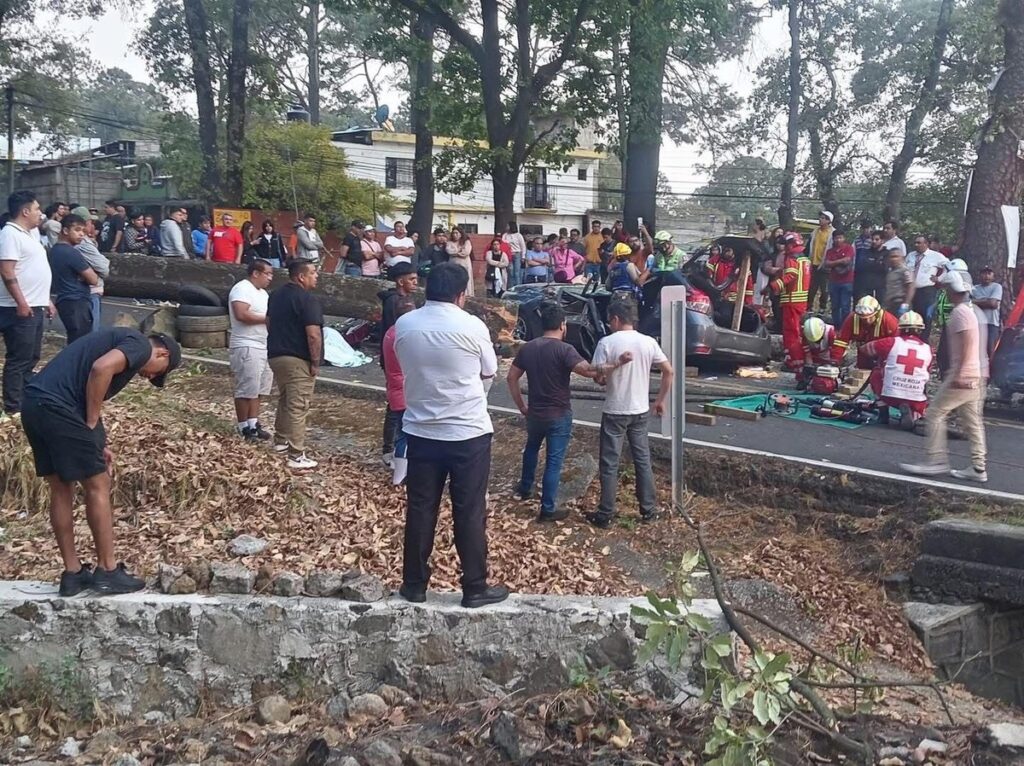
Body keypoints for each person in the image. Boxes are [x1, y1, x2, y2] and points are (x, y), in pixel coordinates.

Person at [21, 328, 180, 595]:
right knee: (98, 484)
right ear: (161, 353)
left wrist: (99, 439)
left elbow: (89, 389)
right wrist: (92, 423)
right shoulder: (140, 345)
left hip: (35, 404)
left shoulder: (114, 339)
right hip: (60, 409)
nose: (149, 376)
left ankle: (72, 575)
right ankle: (107, 570)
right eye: (157, 372)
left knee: (61, 487)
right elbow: (100, 369)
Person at [393, 262, 507, 608]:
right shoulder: (472, 325)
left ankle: (414, 584)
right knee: (469, 510)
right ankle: (474, 586)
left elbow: (402, 363)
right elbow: (490, 370)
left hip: (421, 430)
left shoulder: (405, 324)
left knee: (420, 508)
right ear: (461, 295)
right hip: (467, 431)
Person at [507, 301, 633, 522]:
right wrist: (618, 363)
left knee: (531, 449)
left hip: (535, 412)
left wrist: (522, 406)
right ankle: (547, 507)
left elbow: (511, 378)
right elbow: (589, 370)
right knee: (554, 461)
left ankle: (524, 487)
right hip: (558, 414)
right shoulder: (565, 350)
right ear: (563, 325)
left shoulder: (528, 348)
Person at [584, 298, 674, 528]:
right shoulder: (648, 342)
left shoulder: (606, 342)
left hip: (615, 409)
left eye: (609, 320)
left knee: (610, 462)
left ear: (615, 319)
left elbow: (597, 375)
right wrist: (660, 400)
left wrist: (604, 376)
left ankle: (606, 512)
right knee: (642, 459)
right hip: (640, 409)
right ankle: (648, 509)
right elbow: (668, 371)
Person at [901, 271, 987, 483]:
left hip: (963, 375)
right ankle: (978, 467)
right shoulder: (973, 310)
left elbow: (967, 343)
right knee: (973, 422)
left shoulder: (959, 313)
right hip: (976, 374)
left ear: (952, 290)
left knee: (935, 413)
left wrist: (959, 373)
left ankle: (936, 460)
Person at [0, 190, 54, 415]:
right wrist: (21, 302)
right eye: (36, 209)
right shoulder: (9, 234)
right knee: (19, 358)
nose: (39, 214)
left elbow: (33, 269)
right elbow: (6, 269)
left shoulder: (29, 234)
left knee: (32, 356)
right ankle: (12, 407)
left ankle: (25, 398)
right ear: (25, 211)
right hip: (19, 308)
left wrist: (46, 299)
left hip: (36, 303)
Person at [267, 260, 323, 470]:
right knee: (299, 405)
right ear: (301, 277)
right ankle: (296, 454)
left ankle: (280, 440)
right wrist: (315, 361)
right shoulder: (307, 300)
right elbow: (313, 335)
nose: (316, 276)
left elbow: (268, 322)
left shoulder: (276, 295)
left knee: (285, 398)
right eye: (313, 273)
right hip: (298, 357)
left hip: (276, 354)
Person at [857, 310, 932, 428]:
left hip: (891, 396)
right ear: (920, 330)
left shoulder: (890, 342)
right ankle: (915, 414)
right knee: (922, 379)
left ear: (900, 328)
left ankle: (883, 415)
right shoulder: (928, 350)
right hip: (916, 398)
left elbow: (865, 349)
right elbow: (926, 372)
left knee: (876, 374)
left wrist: (882, 358)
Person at [229, 259, 275, 441]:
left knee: (259, 388)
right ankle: (243, 426)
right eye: (267, 274)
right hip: (247, 344)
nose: (270, 278)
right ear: (255, 273)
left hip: (263, 344)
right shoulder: (242, 289)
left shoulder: (263, 293)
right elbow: (242, 314)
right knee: (246, 388)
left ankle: (254, 423)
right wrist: (266, 320)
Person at [378, 262, 419, 466]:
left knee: (404, 402)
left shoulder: (407, 300)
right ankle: (389, 448)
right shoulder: (394, 302)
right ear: (400, 281)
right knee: (395, 405)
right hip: (395, 358)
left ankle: (400, 443)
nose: (415, 283)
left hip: (406, 359)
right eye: (411, 279)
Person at [762, 232, 810, 371]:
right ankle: (798, 360)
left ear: (791, 244)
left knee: (790, 333)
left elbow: (790, 276)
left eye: (786, 244)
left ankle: (794, 362)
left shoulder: (791, 258)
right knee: (797, 332)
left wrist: (773, 286)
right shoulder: (804, 259)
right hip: (801, 301)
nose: (784, 247)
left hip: (791, 300)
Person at [382, 296, 416, 486]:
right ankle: (399, 477)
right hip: (403, 390)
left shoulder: (391, 332)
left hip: (397, 388)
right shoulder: (402, 335)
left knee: (403, 431)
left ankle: (401, 470)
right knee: (406, 434)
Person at [49, 214, 99, 345]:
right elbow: (94, 279)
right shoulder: (71, 253)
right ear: (65, 231)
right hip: (76, 301)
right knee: (80, 343)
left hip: (65, 299)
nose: (81, 234)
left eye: (83, 231)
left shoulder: (54, 250)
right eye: (77, 230)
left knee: (75, 339)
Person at [830, 295, 900, 363]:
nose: (867, 321)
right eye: (863, 318)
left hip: (884, 356)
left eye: (870, 317)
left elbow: (897, 344)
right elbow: (841, 341)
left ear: (877, 314)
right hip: (863, 355)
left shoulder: (889, 321)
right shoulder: (852, 319)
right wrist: (835, 360)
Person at [71, 206, 109, 331]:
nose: (92, 226)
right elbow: (104, 268)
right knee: (91, 332)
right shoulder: (82, 244)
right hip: (90, 292)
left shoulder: (85, 242)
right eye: (90, 222)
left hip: (87, 292)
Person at [907, 234, 950, 337]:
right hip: (911, 290)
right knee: (912, 317)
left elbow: (949, 267)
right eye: (915, 242)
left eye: (919, 243)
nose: (916, 245)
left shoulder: (935, 256)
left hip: (927, 290)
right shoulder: (911, 255)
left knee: (926, 317)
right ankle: (912, 338)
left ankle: (924, 340)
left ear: (926, 244)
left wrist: (939, 279)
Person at [823, 228, 855, 327]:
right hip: (834, 281)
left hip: (847, 281)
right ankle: (836, 326)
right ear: (833, 239)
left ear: (844, 238)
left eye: (840, 238)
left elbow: (847, 260)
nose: (838, 240)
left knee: (845, 305)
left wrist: (834, 263)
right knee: (835, 305)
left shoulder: (849, 248)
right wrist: (840, 261)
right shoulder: (830, 251)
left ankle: (846, 326)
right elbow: (826, 263)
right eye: (836, 238)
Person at [797, 316, 836, 392]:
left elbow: (835, 353)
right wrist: (809, 367)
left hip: (827, 357)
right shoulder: (804, 333)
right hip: (813, 356)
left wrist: (831, 366)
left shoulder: (831, 333)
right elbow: (807, 353)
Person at [972, 266, 1002, 358]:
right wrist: (986, 301)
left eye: (989, 273)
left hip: (992, 323)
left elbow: (993, 304)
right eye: (984, 273)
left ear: (993, 276)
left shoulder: (997, 287)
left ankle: (993, 371)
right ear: (980, 275)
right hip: (977, 323)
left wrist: (976, 302)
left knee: (991, 350)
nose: (986, 276)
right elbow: (968, 303)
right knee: (977, 350)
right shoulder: (974, 288)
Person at [807, 211, 835, 313]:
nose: (820, 220)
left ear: (828, 221)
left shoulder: (832, 233)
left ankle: (822, 308)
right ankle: (808, 307)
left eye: (823, 218)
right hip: (813, 263)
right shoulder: (814, 232)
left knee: (824, 289)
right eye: (820, 217)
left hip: (825, 265)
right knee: (811, 288)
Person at [856, 229, 892, 302]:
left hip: (880, 287)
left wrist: (871, 262)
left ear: (882, 241)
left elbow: (884, 268)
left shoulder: (887, 253)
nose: (874, 241)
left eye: (877, 239)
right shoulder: (866, 252)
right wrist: (877, 262)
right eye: (872, 239)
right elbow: (861, 266)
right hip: (867, 287)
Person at [883, 248, 913, 316]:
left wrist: (906, 304)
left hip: (900, 303)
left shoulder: (905, 270)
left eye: (896, 256)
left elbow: (911, 287)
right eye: (891, 257)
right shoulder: (889, 271)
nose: (893, 259)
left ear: (902, 258)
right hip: (889, 305)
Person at [446, 227, 474, 297]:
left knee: (465, 279)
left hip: (464, 264)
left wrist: (455, 253)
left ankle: (466, 295)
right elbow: (449, 251)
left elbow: (466, 252)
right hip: (453, 265)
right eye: (453, 233)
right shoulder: (449, 243)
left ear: (461, 234)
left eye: (456, 233)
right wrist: (459, 251)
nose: (455, 235)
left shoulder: (466, 242)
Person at [502, 222, 527, 287]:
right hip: (508, 255)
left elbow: (523, 246)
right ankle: (510, 287)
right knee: (510, 272)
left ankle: (518, 287)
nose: (506, 227)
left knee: (517, 272)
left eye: (507, 226)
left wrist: (523, 256)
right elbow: (503, 243)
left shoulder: (518, 235)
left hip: (517, 254)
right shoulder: (505, 235)